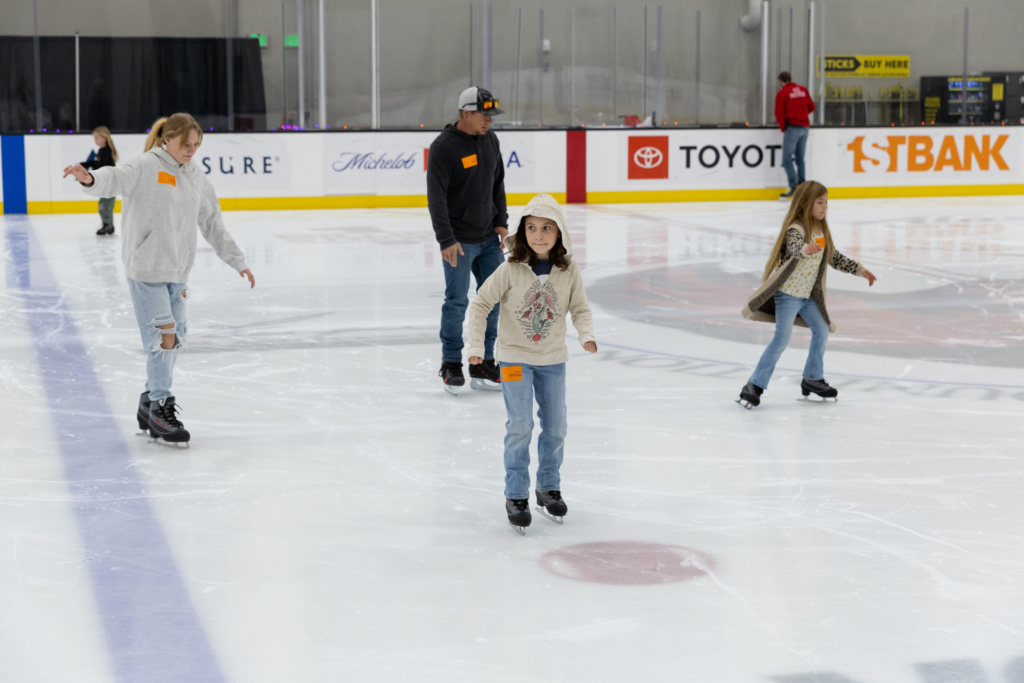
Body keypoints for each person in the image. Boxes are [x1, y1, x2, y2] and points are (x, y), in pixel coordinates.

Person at [61, 113, 255, 447]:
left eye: (196, 144)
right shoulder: (146, 165)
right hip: (147, 269)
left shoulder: (196, 175)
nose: (191, 150)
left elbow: (212, 222)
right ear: (168, 139)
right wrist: (89, 178)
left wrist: (237, 260)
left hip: (178, 271)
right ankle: (161, 406)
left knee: (175, 337)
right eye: (186, 143)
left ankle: (149, 401)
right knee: (163, 338)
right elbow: (114, 177)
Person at [465, 194, 597, 535]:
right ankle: (516, 494)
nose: (539, 235)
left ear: (559, 232)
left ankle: (548, 487)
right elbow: (480, 304)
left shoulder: (568, 270)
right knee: (520, 425)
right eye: (532, 228)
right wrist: (477, 346)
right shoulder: (509, 269)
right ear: (522, 232)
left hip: (552, 360)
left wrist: (585, 334)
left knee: (556, 427)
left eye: (547, 228)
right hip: (514, 359)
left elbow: (580, 308)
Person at [738, 181, 876, 409]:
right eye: (820, 202)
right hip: (788, 296)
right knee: (781, 339)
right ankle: (754, 385)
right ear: (805, 203)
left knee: (822, 330)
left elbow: (833, 257)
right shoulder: (797, 229)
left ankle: (812, 378)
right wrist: (805, 249)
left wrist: (860, 270)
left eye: (826, 202)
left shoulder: (822, 230)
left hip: (808, 297)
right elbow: (794, 246)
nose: (825, 207)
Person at [427, 86, 509, 395]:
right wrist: (446, 239)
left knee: (492, 301)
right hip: (458, 242)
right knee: (457, 302)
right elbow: (436, 198)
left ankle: (483, 362)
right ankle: (451, 363)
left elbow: (497, 184)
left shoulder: (491, 140)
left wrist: (501, 223)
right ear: (465, 114)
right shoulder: (444, 147)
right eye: (484, 115)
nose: (489, 121)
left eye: (491, 116)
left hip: (488, 238)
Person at [774, 72, 816, 199]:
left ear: (781, 81)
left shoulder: (783, 93)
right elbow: (811, 107)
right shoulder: (803, 90)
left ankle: (793, 186)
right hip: (805, 128)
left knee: (786, 160)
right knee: (800, 158)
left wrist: (783, 127)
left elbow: (779, 113)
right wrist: (802, 115)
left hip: (792, 128)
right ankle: (803, 186)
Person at [81, 126, 119, 235]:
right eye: (94, 138)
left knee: (104, 204)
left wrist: (89, 168)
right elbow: (99, 164)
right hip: (108, 184)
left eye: (97, 138)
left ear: (105, 138)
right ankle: (108, 225)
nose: (95, 140)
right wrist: (87, 164)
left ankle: (108, 225)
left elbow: (101, 166)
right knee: (104, 204)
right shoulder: (102, 150)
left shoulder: (106, 151)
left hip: (110, 184)